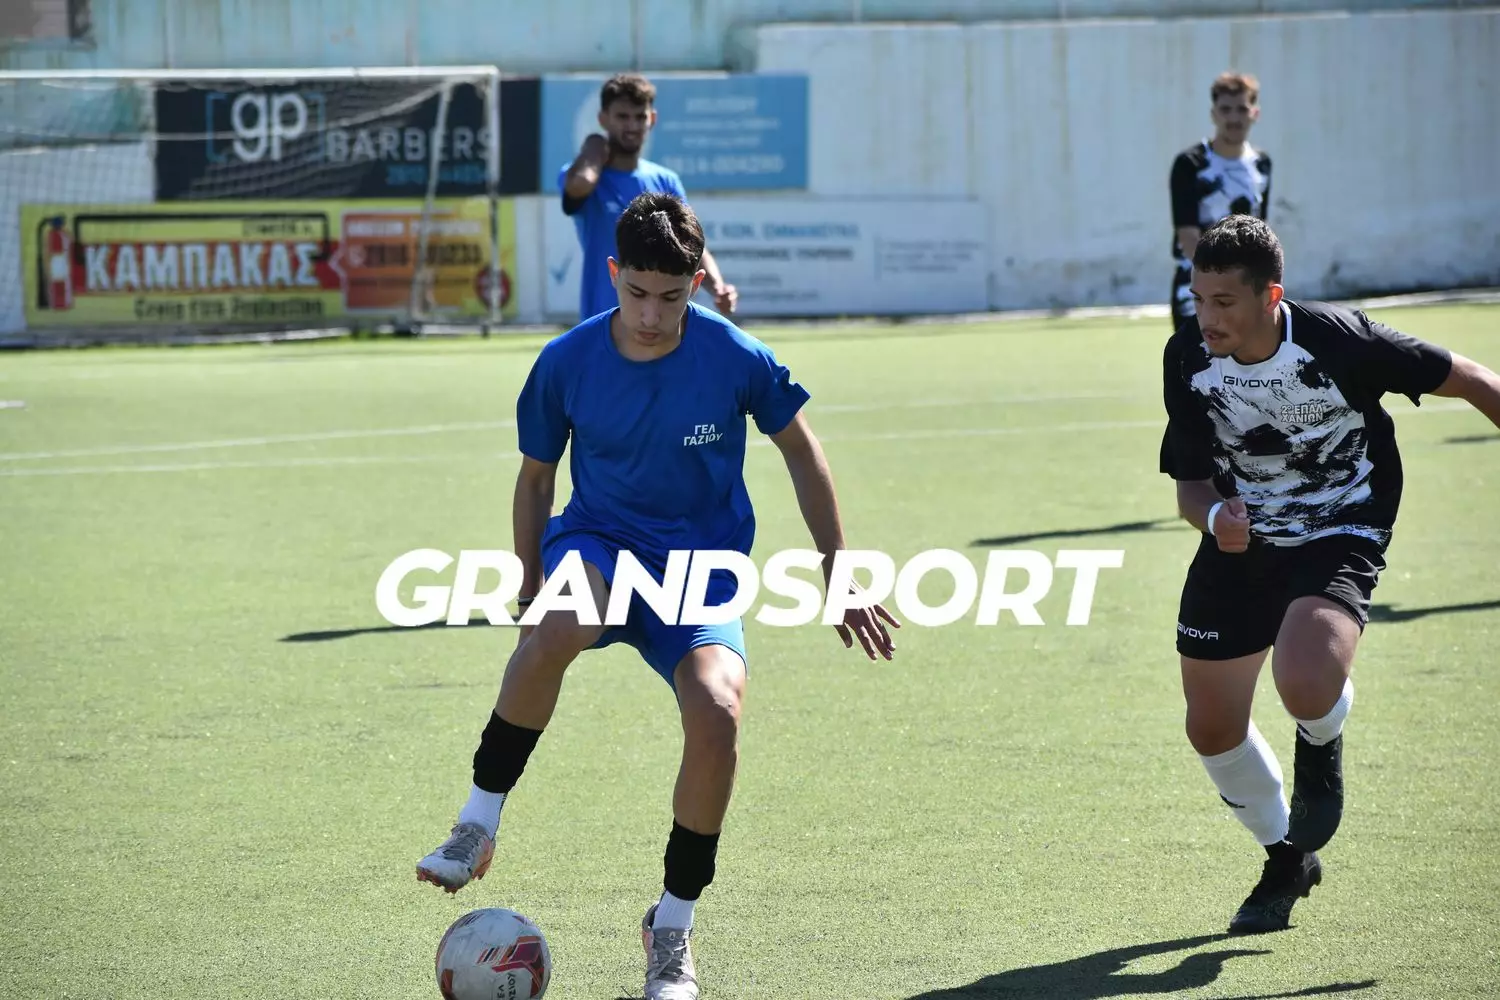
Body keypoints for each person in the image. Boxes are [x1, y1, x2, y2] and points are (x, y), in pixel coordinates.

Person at [417, 192, 899, 999]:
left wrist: (838, 570)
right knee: (558, 626)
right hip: (600, 542)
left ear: (696, 285)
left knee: (719, 712)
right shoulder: (566, 361)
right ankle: (477, 824)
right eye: (636, 292)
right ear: (614, 274)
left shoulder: (734, 356)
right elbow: (536, 481)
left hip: (699, 571)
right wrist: (529, 585)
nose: (650, 315)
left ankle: (670, 927)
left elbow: (803, 451)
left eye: (671, 297)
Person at [1159, 214, 1500, 935]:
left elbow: (1474, 380)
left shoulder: (1340, 340)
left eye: (1225, 302)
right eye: (1199, 299)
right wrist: (1215, 520)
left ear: (1270, 297)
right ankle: (1288, 858)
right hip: (1242, 543)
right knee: (1211, 727)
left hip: (1340, 525)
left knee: (1306, 677)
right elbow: (1190, 487)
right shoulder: (1187, 357)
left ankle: (1320, 744)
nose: (1207, 317)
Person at [560, 72, 738, 323]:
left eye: (639, 116)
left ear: (652, 119)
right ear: (603, 119)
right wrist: (594, 147)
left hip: (660, 322)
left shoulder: (666, 180)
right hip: (604, 320)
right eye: (622, 117)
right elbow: (580, 185)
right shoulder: (585, 174)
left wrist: (718, 286)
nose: (632, 126)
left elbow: (691, 244)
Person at [1169, 71, 1272, 333]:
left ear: (1255, 113)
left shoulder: (1261, 165)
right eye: (1226, 109)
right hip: (1197, 290)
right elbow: (1187, 235)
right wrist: (1220, 283)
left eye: (1242, 109)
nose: (1234, 118)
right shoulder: (1190, 164)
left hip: (1245, 293)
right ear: (1213, 114)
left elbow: (1261, 231)